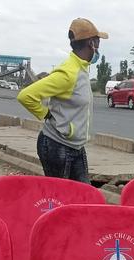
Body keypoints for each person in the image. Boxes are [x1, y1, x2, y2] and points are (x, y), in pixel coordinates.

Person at [17, 18, 108, 183]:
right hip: (56, 146)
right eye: (98, 41)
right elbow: (26, 96)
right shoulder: (68, 73)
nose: (99, 47)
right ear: (91, 43)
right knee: (60, 199)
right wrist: (46, 114)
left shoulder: (81, 69)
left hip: (76, 146)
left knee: (83, 195)